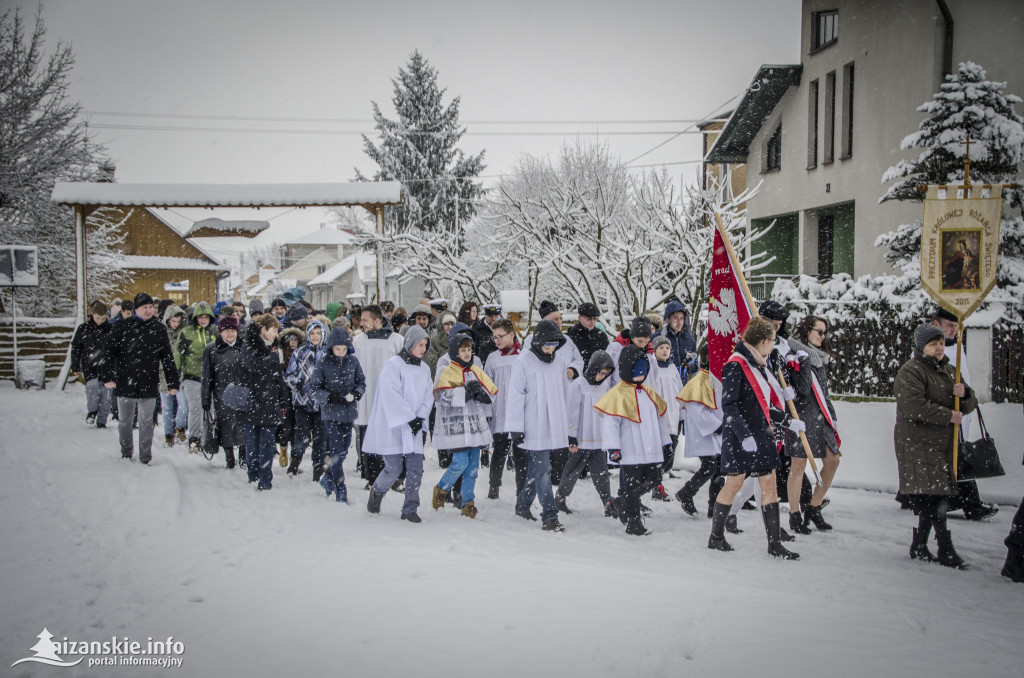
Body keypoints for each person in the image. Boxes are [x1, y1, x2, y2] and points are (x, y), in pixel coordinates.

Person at [708, 317, 801, 559]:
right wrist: (744, 435)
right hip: (740, 436)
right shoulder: (735, 365)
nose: (773, 347)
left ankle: (774, 543)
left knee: (769, 484)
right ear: (763, 341)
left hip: (762, 434)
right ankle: (716, 536)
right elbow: (730, 406)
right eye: (772, 342)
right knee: (734, 483)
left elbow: (760, 406)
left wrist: (786, 420)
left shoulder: (761, 365)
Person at [894, 323, 978, 569]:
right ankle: (944, 547)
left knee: (933, 495)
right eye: (933, 343)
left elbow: (968, 404)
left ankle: (920, 545)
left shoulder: (951, 370)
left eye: (941, 343)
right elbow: (913, 406)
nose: (939, 347)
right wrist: (947, 415)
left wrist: (965, 395)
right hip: (917, 443)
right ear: (922, 347)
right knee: (935, 496)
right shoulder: (911, 372)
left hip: (941, 444)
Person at [596, 345, 674, 536]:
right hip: (630, 449)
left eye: (643, 371)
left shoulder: (650, 393)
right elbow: (611, 424)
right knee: (631, 486)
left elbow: (661, 419)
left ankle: (622, 502)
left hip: (651, 447)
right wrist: (613, 448)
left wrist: (666, 442)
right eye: (636, 371)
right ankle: (634, 522)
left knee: (654, 479)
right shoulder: (617, 394)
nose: (640, 375)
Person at [930, 307, 998, 521]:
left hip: (960, 414)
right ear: (936, 325)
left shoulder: (958, 348)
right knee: (957, 460)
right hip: (944, 418)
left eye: (956, 326)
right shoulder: (934, 352)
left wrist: (967, 397)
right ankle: (971, 505)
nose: (954, 330)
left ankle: (911, 497)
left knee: (954, 459)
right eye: (950, 325)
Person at [363, 326, 435, 522]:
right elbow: (390, 393)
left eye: (425, 345)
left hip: (415, 426)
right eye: (420, 344)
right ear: (410, 343)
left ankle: (410, 508)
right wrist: (407, 417)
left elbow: (429, 395)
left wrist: (420, 416)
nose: (423, 348)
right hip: (396, 425)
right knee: (393, 468)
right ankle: (377, 492)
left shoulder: (425, 369)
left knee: (415, 469)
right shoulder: (393, 365)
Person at [506, 319, 571, 532]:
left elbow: (563, 392)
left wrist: (567, 425)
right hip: (532, 424)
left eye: (554, 345)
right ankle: (550, 515)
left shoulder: (559, 362)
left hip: (553, 423)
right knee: (544, 468)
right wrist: (515, 427)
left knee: (538, 468)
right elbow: (515, 396)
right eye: (547, 345)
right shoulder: (523, 362)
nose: (551, 349)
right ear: (538, 342)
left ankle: (523, 505)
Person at [101, 293, 180, 464]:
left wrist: (172, 382)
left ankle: (145, 456)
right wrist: (107, 376)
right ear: (136, 309)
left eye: (151, 307)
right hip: (125, 380)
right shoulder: (122, 327)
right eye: (145, 307)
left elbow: (167, 357)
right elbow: (108, 353)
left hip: (148, 381)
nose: (148, 310)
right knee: (125, 422)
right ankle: (126, 453)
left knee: (146, 422)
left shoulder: (158, 329)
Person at [429, 330, 497, 519]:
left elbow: (489, 392)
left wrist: (480, 394)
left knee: (473, 468)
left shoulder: (475, 369)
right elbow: (441, 397)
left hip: (474, 426)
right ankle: (441, 489)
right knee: (459, 463)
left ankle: (468, 503)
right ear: (454, 351)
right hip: (457, 426)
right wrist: (465, 393)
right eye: (463, 350)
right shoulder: (446, 370)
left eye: (469, 349)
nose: (467, 353)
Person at [784, 315, 841, 534]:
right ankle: (794, 514)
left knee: (833, 460)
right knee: (798, 465)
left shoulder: (819, 358)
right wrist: (805, 361)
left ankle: (814, 507)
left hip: (821, 416)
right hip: (802, 415)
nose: (822, 336)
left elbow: (824, 393)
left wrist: (832, 417)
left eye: (824, 332)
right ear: (807, 330)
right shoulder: (794, 354)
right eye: (818, 331)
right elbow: (804, 389)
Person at [521, 301, 583, 485]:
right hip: (542, 395)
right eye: (555, 318)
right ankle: (542, 474)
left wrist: (572, 369)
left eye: (560, 317)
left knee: (561, 432)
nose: (560, 321)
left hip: (564, 392)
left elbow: (578, 359)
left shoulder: (567, 340)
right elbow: (526, 364)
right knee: (545, 433)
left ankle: (558, 475)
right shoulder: (531, 339)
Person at [557, 350, 616, 517]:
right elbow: (572, 412)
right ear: (593, 368)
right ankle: (561, 495)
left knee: (601, 472)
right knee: (573, 470)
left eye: (606, 374)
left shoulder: (604, 386)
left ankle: (607, 501)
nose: (602, 376)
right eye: (601, 372)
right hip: (582, 437)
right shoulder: (579, 384)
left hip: (598, 439)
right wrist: (572, 437)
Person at [310, 327, 366, 503]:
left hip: (349, 413)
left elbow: (361, 382)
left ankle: (328, 479)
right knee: (336, 450)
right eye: (337, 349)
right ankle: (340, 488)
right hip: (331, 413)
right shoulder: (323, 363)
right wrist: (329, 397)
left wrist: (356, 394)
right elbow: (314, 388)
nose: (341, 353)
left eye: (343, 349)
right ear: (331, 348)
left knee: (344, 449)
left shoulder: (353, 362)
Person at [353, 305, 405, 488]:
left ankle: (394, 476)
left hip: (389, 396)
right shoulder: (359, 341)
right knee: (369, 435)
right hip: (367, 395)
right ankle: (372, 476)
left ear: (377, 320)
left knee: (391, 437)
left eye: (365, 320)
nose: (361, 324)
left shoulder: (397, 340)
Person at [239, 315, 291, 490]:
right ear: (263, 330)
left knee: (267, 443)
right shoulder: (248, 349)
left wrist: (283, 399)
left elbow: (279, 379)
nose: (276, 334)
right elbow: (251, 369)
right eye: (274, 331)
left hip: (269, 403)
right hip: (251, 402)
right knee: (253, 443)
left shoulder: (272, 352)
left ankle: (265, 478)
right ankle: (254, 475)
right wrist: (269, 355)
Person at [675, 344, 726, 519]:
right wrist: (716, 425)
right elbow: (697, 411)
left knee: (718, 469)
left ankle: (715, 506)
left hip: (716, 434)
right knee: (710, 467)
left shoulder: (716, 380)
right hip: (704, 434)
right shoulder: (699, 382)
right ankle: (687, 492)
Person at [482, 318, 528, 500]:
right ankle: (494, 486)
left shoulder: (523, 357)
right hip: (500, 411)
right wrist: (488, 412)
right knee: (499, 451)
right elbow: (487, 386)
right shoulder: (493, 359)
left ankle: (522, 490)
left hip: (518, 414)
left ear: (511, 334)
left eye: (500, 336)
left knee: (521, 453)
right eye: (494, 337)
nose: (497, 340)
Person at [283, 317, 330, 479]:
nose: (315, 336)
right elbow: (289, 376)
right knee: (301, 438)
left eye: (318, 333)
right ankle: (294, 464)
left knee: (320, 439)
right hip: (302, 403)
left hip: (321, 405)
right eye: (312, 333)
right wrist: (299, 384)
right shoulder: (299, 353)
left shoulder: (327, 354)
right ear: (307, 335)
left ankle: (318, 469)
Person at [200, 315, 246, 468]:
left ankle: (244, 457)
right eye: (227, 330)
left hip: (242, 393)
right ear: (220, 332)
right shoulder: (212, 349)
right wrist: (205, 399)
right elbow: (207, 376)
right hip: (221, 393)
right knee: (225, 425)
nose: (230, 334)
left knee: (242, 425)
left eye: (233, 330)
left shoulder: (244, 347)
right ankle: (229, 457)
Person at [177, 301, 217, 452]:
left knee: (211, 409)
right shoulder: (186, 332)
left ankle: (208, 438)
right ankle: (194, 438)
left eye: (206, 317)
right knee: (195, 408)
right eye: (200, 317)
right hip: (192, 375)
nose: (203, 320)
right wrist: (176, 374)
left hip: (212, 377)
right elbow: (178, 354)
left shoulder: (215, 332)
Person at [647, 335, 683, 498]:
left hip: (673, 417)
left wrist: (682, 415)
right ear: (655, 350)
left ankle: (656, 479)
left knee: (670, 455)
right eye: (661, 347)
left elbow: (680, 390)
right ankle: (656, 484)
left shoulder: (673, 368)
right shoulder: (652, 367)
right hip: (659, 417)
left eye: (667, 348)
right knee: (661, 454)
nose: (664, 350)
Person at [70, 300, 113, 429]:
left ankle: (102, 420)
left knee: (106, 393)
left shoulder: (111, 329)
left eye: (103, 318)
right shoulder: (84, 328)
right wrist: (75, 366)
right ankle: (92, 411)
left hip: (107, 365)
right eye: (97, 318)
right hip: (90, 364)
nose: (100, 321)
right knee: (92, 387)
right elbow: (76, 347)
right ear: (92, 315)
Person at [276, 325, 305, 467]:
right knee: (286, 427)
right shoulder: (280, 356)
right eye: (290, 340)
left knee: (297, 428)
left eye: (296, 340)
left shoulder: (302, 355)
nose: (293, 343)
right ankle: (283, 449)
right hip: (285, 396)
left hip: (298, 395)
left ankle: (295, 455)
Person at [159, 304, 189, 446]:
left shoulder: (185, 333)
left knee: (183, 404)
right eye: (173, 321)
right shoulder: (161, 333)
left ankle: (179, 428)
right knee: (167, 406)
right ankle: (168, 433)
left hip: (181, 374)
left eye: (178, 321)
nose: (175, 324)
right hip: (164, 374)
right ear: (168, 320)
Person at [653, 299, 697, 382]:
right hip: (663, 383)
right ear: (668, 319)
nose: (679, 322)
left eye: (681, 318)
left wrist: (692, 367)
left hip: (684, 387)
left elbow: (695, 367)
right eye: (675, 318)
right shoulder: (657, 338)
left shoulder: (689, 340)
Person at [606, 316, 654, 386]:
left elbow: (654, 377)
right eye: (640, 341)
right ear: (632, 337)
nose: (643, 345)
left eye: (646, 342)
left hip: (642, 392)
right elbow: (607, 372)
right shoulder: (616, 348)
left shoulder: (649, 351)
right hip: (620, 391)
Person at [565, 302, 609, 371]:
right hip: (577, 377)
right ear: (579, 317)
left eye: (595, 318)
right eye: (589, 318)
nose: (592, 322)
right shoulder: (571, 336)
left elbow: (607, 359)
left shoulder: (601, 336)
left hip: (597, 377)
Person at [424, 310, 457, 375]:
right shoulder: (435, 341)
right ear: (441, 325)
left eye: (452, 324)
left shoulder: (460, 340)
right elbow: (432, 364)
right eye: (446, 324)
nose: (449, 327)